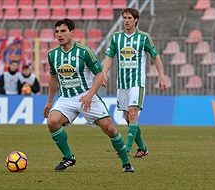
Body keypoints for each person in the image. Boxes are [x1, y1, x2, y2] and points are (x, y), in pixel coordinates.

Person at [43, 18, 134, 173]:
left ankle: (126, 163)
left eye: (63, 31)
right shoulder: (52, 55)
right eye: (57, 31)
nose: (59, 35)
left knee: (109, 128)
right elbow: (52, 78)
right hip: (66, 98)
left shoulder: (85, 52)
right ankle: (68, 157)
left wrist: (90, 95)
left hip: (87, 95)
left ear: (72, 32)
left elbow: (99, 75)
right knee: (52, 122)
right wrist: (50, 101)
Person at [102, 8, 166, 158]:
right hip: (122, 83)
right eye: (124, 18)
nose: (126, 20)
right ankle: (142, 148)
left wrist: (161, 76)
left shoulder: (144, 37)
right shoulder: (116, 37)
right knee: (127, 117)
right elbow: (110, 57)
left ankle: (127, 148)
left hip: (137, 82)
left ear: (136, 20)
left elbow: (155, 57)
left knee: (133, 113)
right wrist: (103, 73)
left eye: (129, 18)